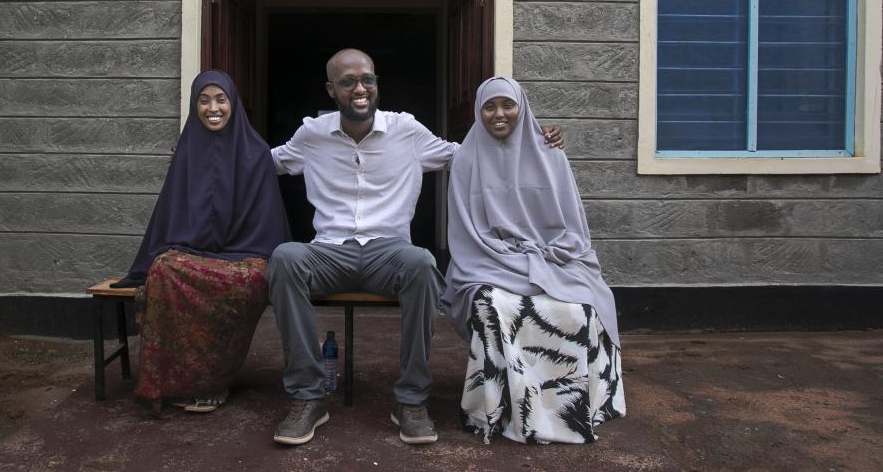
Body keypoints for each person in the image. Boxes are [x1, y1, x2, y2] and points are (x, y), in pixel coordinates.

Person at [267, 49, 564, 446]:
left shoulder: (406, 130)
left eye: (367, 80)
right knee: (285, 258)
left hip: (390, 254)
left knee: (423, 263)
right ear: (331, 89)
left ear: (376, 84)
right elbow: (262, 163)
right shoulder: (312, 135)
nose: (360, 88)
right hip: (329, 252)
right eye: (348, 82)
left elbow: (467, 155)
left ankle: (411, 399)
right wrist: (204, 149)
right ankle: (308, 397)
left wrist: (534, 139)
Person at [442, 76, 625, 445]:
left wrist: (545, 254)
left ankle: (568, 406)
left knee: (581, 308)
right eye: (489, 106)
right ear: (478, 111)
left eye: (508, 105)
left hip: (551, 256)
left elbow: (572, 227)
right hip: (489, 259)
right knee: (494, 305)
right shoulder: (465, 158)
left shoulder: (550, 152)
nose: (499, 114)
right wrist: (509, 256)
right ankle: (502, 406)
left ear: (522, 107)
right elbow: (466, 234)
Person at [113, 70, 287, 416]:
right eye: (204, 100)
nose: (213, 108)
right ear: (195, 106)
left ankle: (212, 380)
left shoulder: (256, 153)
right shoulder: (187, 152)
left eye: (221, 99)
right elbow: (169, 213)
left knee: (245, 277)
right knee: (164, 269)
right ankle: (174, 382)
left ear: (233, 104)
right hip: (196, 255)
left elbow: (266, 224)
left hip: (246, 257)